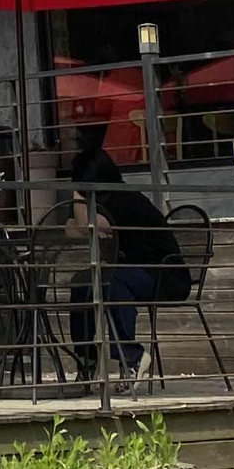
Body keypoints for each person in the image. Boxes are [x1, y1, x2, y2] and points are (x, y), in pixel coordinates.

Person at [65, 133, 190, 380]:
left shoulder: (124, 201)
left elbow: (85, 225)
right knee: (82, 282)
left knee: (113, 281)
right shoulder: (108, 201)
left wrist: (77, 193)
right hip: (137, 272)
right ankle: (86, 359)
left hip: (165, 276)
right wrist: (83, 214)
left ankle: (131, 357)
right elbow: (70, 229)